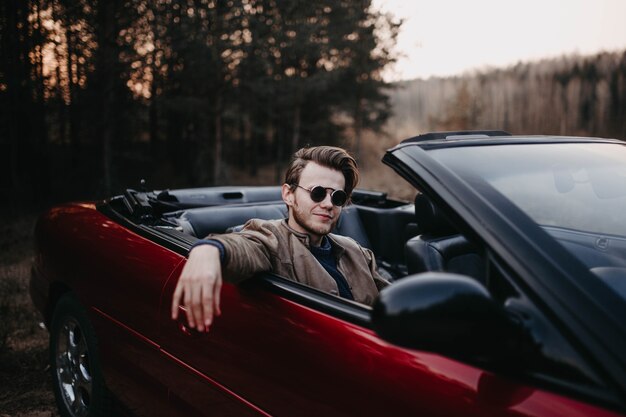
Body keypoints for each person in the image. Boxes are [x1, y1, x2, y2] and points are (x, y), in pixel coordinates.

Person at [171, 146, 389, 332]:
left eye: (337, 196)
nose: (328, 203)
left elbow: (395, 303)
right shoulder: (271, 238)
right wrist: (210, 249)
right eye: (317, 192)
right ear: (288, 194)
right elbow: (246, 245)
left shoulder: (357, 252)